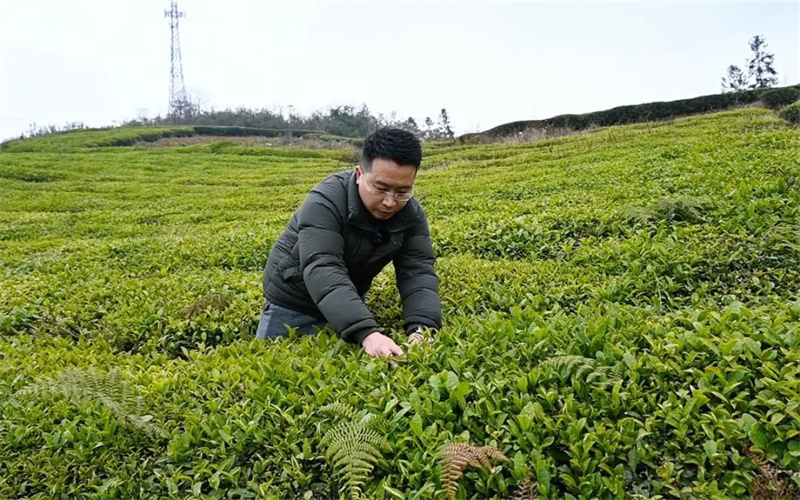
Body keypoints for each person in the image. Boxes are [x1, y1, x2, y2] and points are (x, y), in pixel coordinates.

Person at [256, 127, 442, 359]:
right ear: (359, 174)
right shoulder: (324, 202)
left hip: (346, 301)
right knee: (277, 368)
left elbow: (418, 270)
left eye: (402, 191)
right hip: (293, 303)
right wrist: (366, 332)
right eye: (380, 188)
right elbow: (322, 265)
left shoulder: (411, 214)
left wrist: (421, 327)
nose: (389, 202)